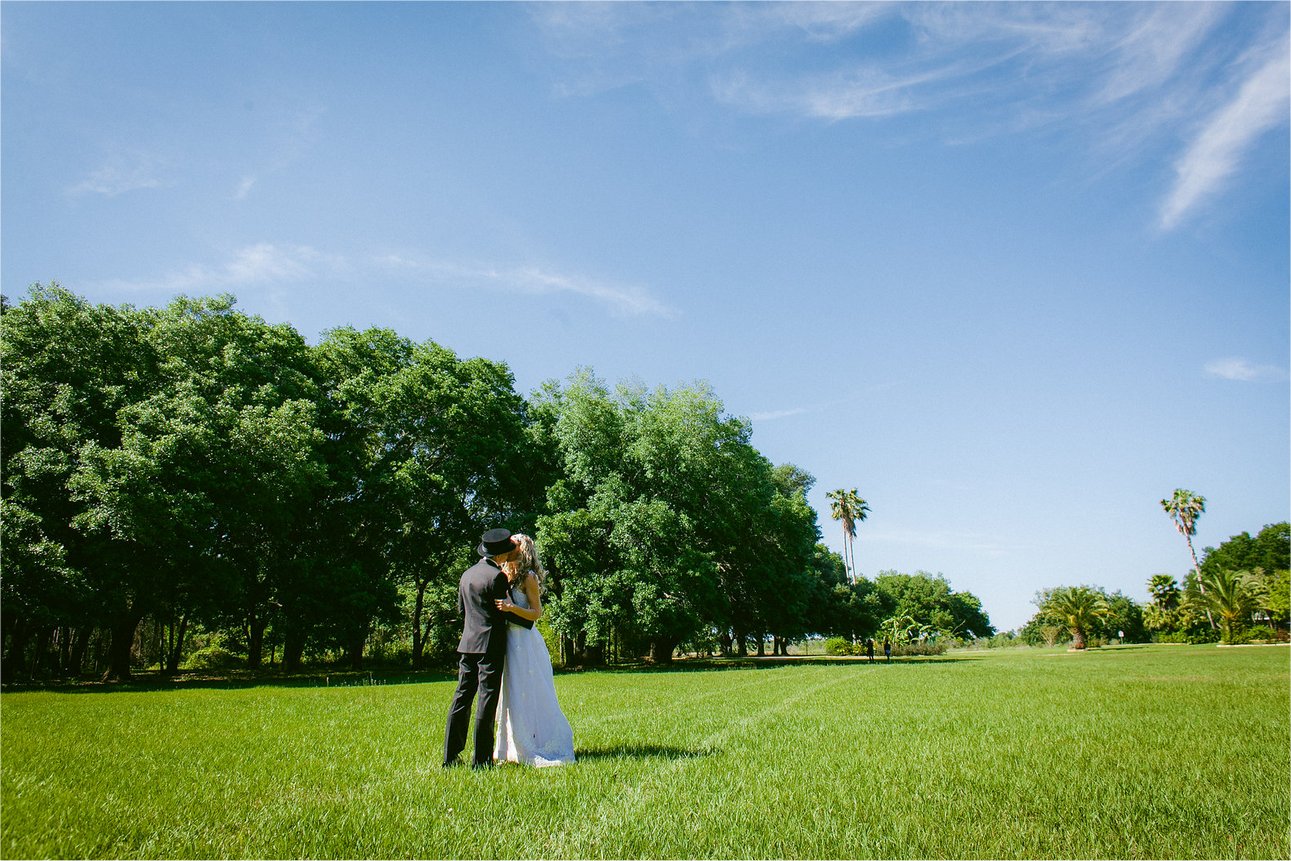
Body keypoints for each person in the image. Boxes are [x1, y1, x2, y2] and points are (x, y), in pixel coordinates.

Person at [493, 533, 576, 767]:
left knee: (528, 691)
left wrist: (511, 608)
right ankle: (509, 747)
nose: (509, 546)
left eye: (513, 543)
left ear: (522, 548)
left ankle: (535, 744)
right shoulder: (504, 573)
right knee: (508, 691)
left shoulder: (528, 577)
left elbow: (536, 613)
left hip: (525, 642)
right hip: (507, 640)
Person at [443, 528, 516, 769]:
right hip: (490, 646)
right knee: (487, 699)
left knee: (462, 697)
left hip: (467, 644)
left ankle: (450, 756)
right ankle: (482, 760)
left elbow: (462, 612)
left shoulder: (467, 575)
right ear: (501, 555)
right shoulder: (497, 577)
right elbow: (502, 612)